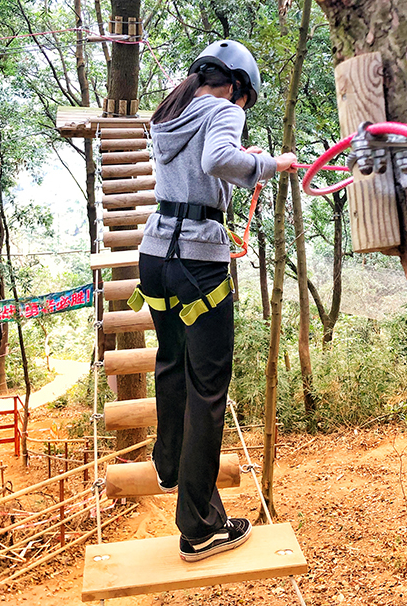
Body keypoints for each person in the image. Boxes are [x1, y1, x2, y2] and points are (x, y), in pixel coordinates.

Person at [129, 39, 296, 562]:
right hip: (199, 259)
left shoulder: (171, 110)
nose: (239, 110)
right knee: (208, 387)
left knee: (172, 362)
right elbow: (218, 157)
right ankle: (200, 526)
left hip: (155, 253)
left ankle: (170, 463)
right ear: (238, 86)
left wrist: (238, 163)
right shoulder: (223, 108)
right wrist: (273, 163)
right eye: (243, 101)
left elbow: (201, 166)